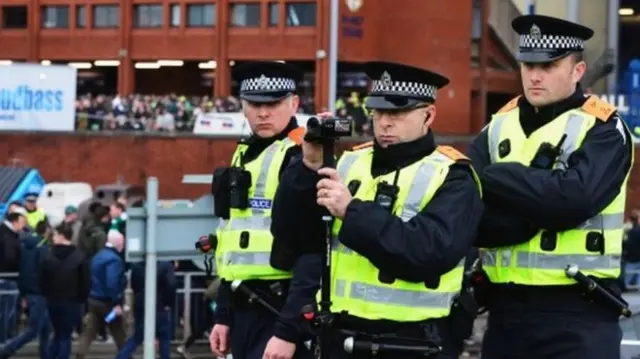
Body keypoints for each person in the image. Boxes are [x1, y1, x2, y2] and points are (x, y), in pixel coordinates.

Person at [272, 61, 484, 359]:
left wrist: (351, 212)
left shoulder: (454, 175)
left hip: (415, 342)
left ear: (428, 114)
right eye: (378, 112)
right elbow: (293, 238)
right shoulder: (348, 163)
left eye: (397, 112)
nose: (385, 122)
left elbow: (429, 251)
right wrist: (307, 167)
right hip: (342, 338)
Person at [467, 15, 634, 359]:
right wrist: (541, 208)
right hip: (506, 316)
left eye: (549, 65)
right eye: (528, 65)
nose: (535, 75)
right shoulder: (496, 127)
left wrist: (498, 178)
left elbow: (572, 200)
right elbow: (471, 217)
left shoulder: (603, 129)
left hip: (578, 315)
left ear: (577, 71)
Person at [208, 61, 314, 359]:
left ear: (294, 103)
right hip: (245, 307)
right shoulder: (244, 152)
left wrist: (288, 330)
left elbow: (315, 250)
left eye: (274, 103)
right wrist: (224, 314)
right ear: (242, 105)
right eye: (254, 104)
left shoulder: (304, 156)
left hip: (282, 308)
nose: (263, 113)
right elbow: (232, 236)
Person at [0, 221, 51, 359]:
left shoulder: (25, 246)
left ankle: (46, 354)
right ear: (46, 231)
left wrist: (24, 294)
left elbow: (24, 270)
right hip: (40, 292)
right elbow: (45, 271)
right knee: (33, 330)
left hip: (30, 291)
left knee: (45, 327)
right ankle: (7, 350)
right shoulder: (43, 248)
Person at [39, 222, 90, 359]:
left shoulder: (48, 256)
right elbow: (85, 283)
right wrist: (81, 300)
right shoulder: (79, 257)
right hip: (72, 301)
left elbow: (42, 280)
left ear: (62, 236)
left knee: (57, 334)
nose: (53, 237)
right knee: (65, 336)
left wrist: (47, 295)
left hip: (52, 301)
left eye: (55, 235)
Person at [75, 230, 128, 359]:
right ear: (118, 243)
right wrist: (117, 303)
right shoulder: (114, 260)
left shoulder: (98, 256)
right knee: (118, 329)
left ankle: (80, 354)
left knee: (91, 329)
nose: (124, 245)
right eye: (123, 242)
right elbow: (112, 283)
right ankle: (126, 354)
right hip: (108, 303)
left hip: (94, 300)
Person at [115, 260, 176, 359]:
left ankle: (121, 356)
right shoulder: (166, 265)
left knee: (138, 336)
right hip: (160, 305)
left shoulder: (137, 265)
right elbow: (171, 285)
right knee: (164, 337)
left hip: (141, 304)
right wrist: (168, 303)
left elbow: (134, 285)